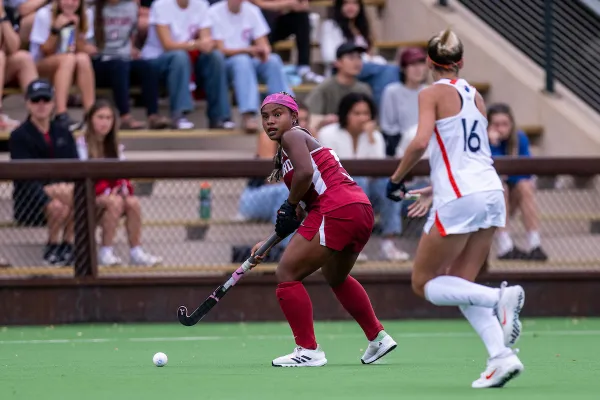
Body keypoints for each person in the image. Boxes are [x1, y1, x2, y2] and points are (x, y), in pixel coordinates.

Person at [385, 29, 525, 388]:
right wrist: (436, 187)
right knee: (460, 284)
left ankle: (499, 297)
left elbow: (419, 142)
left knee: (423, 282)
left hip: (461, 195)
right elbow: (470, 154)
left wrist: (396, 178)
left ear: (430, 63)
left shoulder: (430, 92)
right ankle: (500, 357)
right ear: (460, 62)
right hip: (491, 191)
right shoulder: (475, 94)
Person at [251, 92, 397, 367]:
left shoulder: (294, 136)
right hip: (357, 207)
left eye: (277, 114)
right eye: (265, 116)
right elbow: (300, 213)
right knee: (335, 274)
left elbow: (305, 175)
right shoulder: (287, 155)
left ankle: (308, 350)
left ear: (294, 117)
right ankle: (378, 337)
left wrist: (289, 203)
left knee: (286, 272)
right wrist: (268, 242)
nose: (270, 121)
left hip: (337, 207)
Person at [317, 92, 408, 261]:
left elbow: (378, 171)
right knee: (359, 181)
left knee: (389, 186)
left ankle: (389, 242)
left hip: (364, 192)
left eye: (366, 114)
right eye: (357, 113)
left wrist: (372, 139)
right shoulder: (328, 134)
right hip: (331, 193)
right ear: (345, 114)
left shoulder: (376, 137)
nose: (362, 118)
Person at [76, 100, 163, 266]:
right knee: (114, 202)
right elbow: (86, 177)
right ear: (90, 120)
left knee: (133, 202)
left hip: (111, 195)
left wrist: (121, 189)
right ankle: (105, 251)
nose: (104, 122)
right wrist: (109, 191)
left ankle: (136, 252)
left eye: (108, 118)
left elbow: (124, 176)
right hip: (87, 198)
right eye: (100, 117)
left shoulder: (115, 146)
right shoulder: (81, 145)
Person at [10, 78, 77, 266]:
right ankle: (53, 244)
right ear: (27, 103)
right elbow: (25, 178)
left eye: (45, 100)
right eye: (36, 100)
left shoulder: (64, 132)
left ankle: (67, 244)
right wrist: (48, 197)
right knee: (59, 205)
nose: (41, 105)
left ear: (54, 103)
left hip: (65, 195)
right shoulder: (19, 136)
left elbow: (74, 167)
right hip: (30, 203)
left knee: (65, 202)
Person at [141, 0, 232, 129]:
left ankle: (219, 116)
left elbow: (205, 39)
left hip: (188, 58)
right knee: (179, 56)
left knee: (215, 57)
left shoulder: (201, 5)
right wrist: (195, 44)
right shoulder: (161, 5)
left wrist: (207, 45)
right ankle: (179, 114)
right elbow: (167, 45)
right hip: (157, 60)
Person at [209, 0, 292, 133]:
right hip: (225, 62)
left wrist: (264, 51)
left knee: (273, 60)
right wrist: (248, 50)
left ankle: (286, 108)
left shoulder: (252, 10)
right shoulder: (214, 12)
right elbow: (220, 49)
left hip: (248, 58)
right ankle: (249, 115)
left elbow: (263, 42)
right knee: (242, 61)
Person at [90, 0, 171, 130]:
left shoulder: (131, 8)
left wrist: (131, 48)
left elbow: (131, 34)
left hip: (123, 57)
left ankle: (153, 115)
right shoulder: (93, 11)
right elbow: (85, 42)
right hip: (101, 61)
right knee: (119, 65)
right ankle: (125, 117)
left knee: (146, 67)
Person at [488, 103, 547, 261]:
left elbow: (526, 170)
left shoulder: (519, 138)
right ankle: (504, 247)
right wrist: (492, 145)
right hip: (487, 203)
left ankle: (535, 245)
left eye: (505, 124)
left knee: (525, 186)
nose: (501, 129)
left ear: (512, 124)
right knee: (501, 188)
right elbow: (486, 172)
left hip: (512, 196)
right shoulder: (482, 140)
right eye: (496, 124)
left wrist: (508, 176)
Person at [29, 0, 96, 130]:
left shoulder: (86, 14)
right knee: (68, 59)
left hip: (70, 64)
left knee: (83, 59)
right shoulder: (44, 14)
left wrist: (75, 31)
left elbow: (82, 49)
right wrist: (55, 28)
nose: (70, 3)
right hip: (41, 65)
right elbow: (45, 50)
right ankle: (61, 114)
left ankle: (91, 113)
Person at [319, 0, 398, 108]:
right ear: (339, 6)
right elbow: (329, 56)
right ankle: (378, 113)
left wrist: (370, 59)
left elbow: (368, 55)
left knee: (393, 71)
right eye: (346, 3)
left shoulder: (361, 27)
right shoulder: (330, 25)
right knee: (390, 70)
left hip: (361, 69)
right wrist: (363, 59)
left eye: (354, 3)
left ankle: (378, 112)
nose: (351, 7)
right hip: (340, 69)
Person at [250, 0, 323, 83]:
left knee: (301, 16)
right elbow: (257, 3)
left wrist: (296, 4)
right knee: (265, 14)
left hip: (276, 23)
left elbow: (302, 4)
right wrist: (286, 4)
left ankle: (303, 68)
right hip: (256, 27)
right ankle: (263, 67)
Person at [305, 42, 371, 131]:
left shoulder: (364, 89)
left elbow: (371, 118)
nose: (357, 62)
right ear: (338, 63)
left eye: (359, 57)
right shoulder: (325, 88)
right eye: (351, 58)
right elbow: (309, 118)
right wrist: (325, 119)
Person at [380, 47, 428, 157]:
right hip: (401, 147)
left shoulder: (430, 91)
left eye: (421, 64)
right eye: (412, 65)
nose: (418, 69)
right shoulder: (391, 91)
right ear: (404, 68)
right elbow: (388, 127)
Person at [0, 0, 39, 130]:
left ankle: (39, 116)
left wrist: (2, 17)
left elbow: (14, 47)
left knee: (24, 58)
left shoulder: (6, 12)